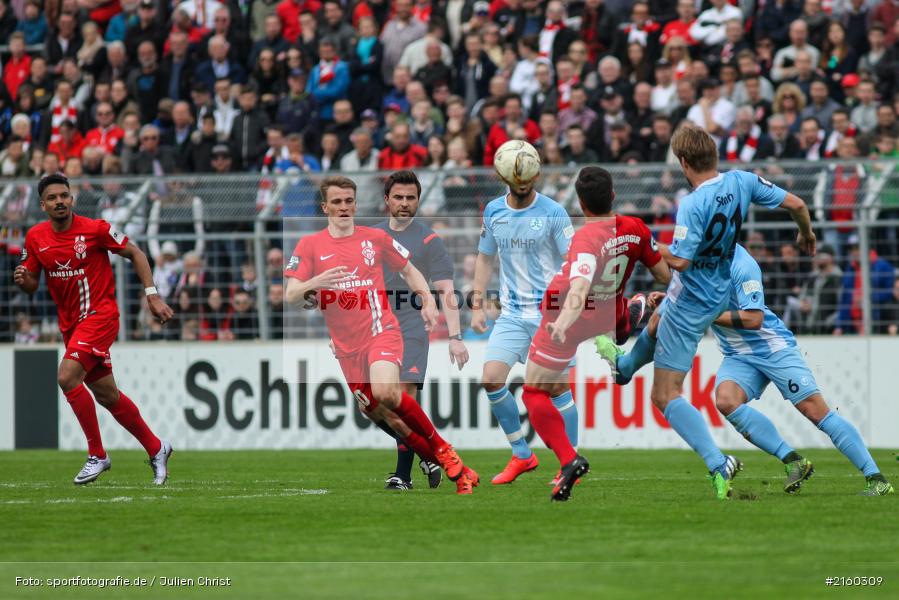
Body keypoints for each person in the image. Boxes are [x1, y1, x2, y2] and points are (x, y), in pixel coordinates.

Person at [596, 124, 816, 500]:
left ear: (683, 162)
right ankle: (626, 366)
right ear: (712, 155)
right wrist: (806, 234)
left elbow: (679, 261)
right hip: (714, 289)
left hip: (692, 298)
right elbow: (797, 204)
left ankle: (718, 462)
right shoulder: (741, 181)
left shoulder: (693, 204)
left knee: (665, 396)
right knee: (655, 317)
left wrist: (646, 242)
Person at [617, 246, 894, 496]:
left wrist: (704, 315)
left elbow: (753, 318)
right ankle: (793, 460)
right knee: (726, 400)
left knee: (815, 411)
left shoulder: (742, 264)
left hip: (772, 347)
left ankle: (876, 479)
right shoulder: (695, 262)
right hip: (738, 355)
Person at [284, 176, 478, 494]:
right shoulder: (309, 245)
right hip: (347, 346)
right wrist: (315, 282)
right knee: (374, 409)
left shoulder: (375, 238)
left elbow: (410, 270)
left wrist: (428, 300)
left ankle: (441, 452)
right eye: (337, 202)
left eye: (349, 201)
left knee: (389, 392)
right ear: (324, 207)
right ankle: (437, 459)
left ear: (356, 204)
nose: (344, 207)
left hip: (382, 331)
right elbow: (291, 294)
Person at [13, 174, 174, 485]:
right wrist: (24, 278)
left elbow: (136, 253)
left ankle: (97, 454)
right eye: (53, 197)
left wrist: (152, 294)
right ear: (42, 204)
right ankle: (157, 448)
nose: (60, 201)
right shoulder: (35, 237)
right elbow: (32, 283)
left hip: (100, 316)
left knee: (66, 376)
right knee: (107, 395)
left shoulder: (96, 229)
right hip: (71, 325)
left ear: (72, 198)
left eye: (64, 195)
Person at [523, 166, 671, 501]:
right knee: (613, 316)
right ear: (614, 196)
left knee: (533, 391)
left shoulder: (586, 239)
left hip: (568, 315)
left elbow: (578, 289)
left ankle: (569, 459)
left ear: (580, 203)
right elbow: (662, 273)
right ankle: (625, 318)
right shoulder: (635, 228)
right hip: (604, 310)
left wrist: (561, 323)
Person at [470, 141, 578, 485]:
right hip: (513, 315)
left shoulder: (554, 213)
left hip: (550, 317)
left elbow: (575, 263)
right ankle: (522, 454)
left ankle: (569, 464)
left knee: (558, 389)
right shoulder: (492, 211)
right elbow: (486, 257)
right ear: (503, 176)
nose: (522, 185)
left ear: (537, 176)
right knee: (491, 378)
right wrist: (476, 303)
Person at [373, 170, 470, 490]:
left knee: (401, 400)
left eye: (410, 197)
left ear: (418, 200)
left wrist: (455, 338)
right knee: (371, 407)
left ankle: (402, 475)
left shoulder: (428, 239)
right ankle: (429, 454)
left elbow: (446, 291)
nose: (404, 203)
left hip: (411, 327)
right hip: (374, 329)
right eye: (398, 197)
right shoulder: (370, 238)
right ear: (386, 200)